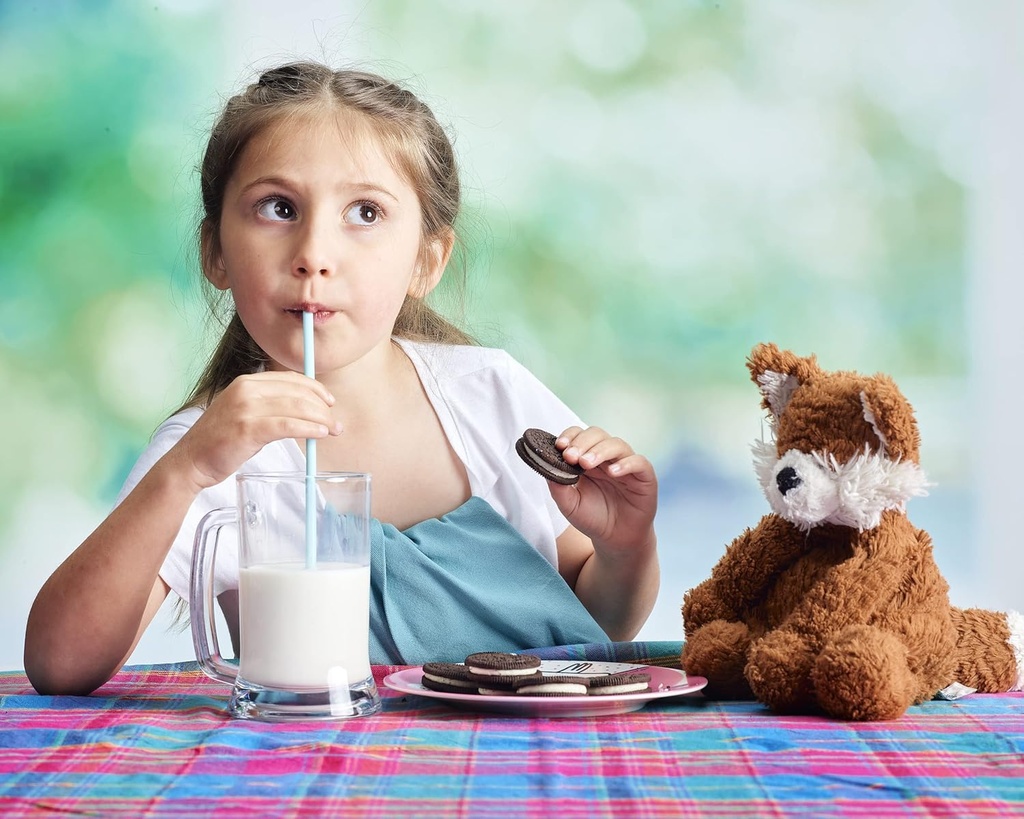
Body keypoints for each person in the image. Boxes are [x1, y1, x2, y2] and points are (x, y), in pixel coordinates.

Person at [24, 62, 660, 695]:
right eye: (277, 208)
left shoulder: (493, 394)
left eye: (365, 213)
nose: (313, 256)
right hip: (328, 779)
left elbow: (592, 627)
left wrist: (625, 544)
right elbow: (58, 664)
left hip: (525, 775)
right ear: (216, 250)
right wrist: (182, 474)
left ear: (427, 260)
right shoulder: (210, 451)